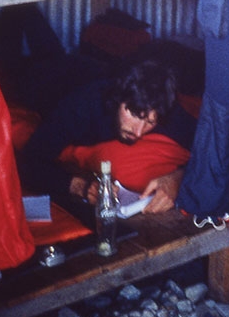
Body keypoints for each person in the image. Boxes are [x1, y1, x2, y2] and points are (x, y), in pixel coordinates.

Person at [16, 57, 198, 228]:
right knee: (15, 65)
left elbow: (214, 152)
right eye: (134, 114)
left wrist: (177, 178)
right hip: (50, 79)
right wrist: (80, 186)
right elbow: (30, 161)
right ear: (119, 100)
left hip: (93, 67)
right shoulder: (84, 106)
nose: (138, 132)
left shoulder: (166, 110)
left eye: (150, 122)